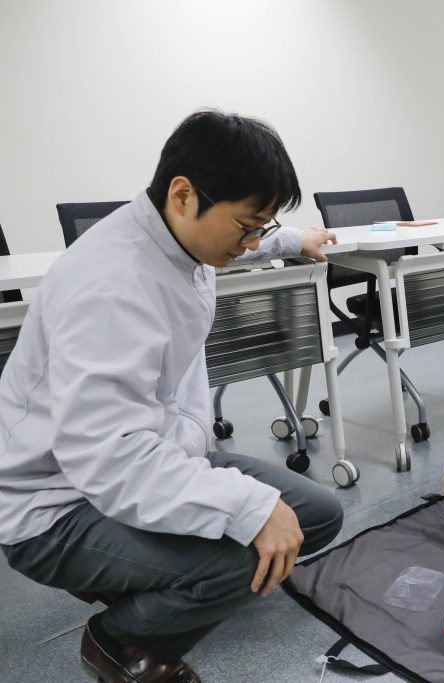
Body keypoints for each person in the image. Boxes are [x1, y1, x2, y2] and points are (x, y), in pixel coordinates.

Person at [0, 111, 343, 683]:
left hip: (155, 451)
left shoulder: (184, 237)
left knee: (316, 515)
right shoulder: (110, 287)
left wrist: (291, 239)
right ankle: (119, 640)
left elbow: (244, 236)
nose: (252, 242)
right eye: (247, 227)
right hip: (57, 502)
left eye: (262, 225)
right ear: (184, 195)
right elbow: (105, 459)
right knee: (248, 545)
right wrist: (248, 510)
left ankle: (157, 580)